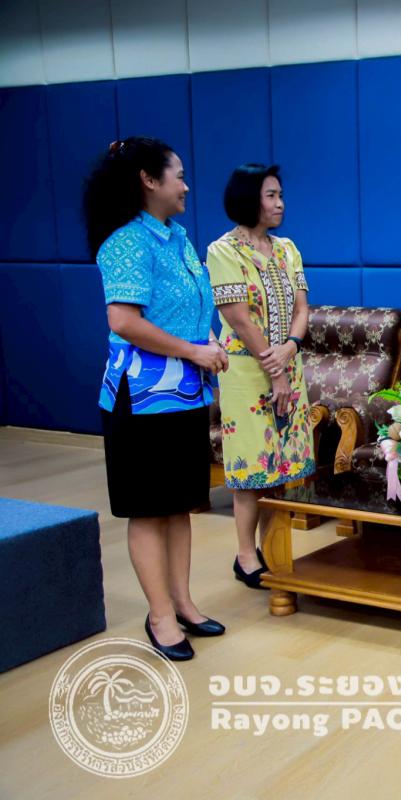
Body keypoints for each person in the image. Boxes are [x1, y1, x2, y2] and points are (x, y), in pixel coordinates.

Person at [84, 136, 229, 661]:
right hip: (140, 398)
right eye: (178, 175)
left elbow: (189, 309)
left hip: (184, 394)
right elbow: (124, 321)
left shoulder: (177, 238)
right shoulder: (127, 241)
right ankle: (160, 615)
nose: (186, 186)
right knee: (148, 510)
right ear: (148, 180)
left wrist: (208, 342)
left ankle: (183, 603)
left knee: (178, 503)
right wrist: (194, 350)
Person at [207, 164, 315, 589]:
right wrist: (276, 369)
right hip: (247, 373)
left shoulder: (288, 248)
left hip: (289, 366)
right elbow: (239, 319)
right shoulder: (223, 251)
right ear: (249, 199)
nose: (280, 203)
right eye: (271, 195)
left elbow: (302, 308)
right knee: (252, 468)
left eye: (280, 195)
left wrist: (291, 347)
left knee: (283, 469)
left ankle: (273, 550)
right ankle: (245, 555)